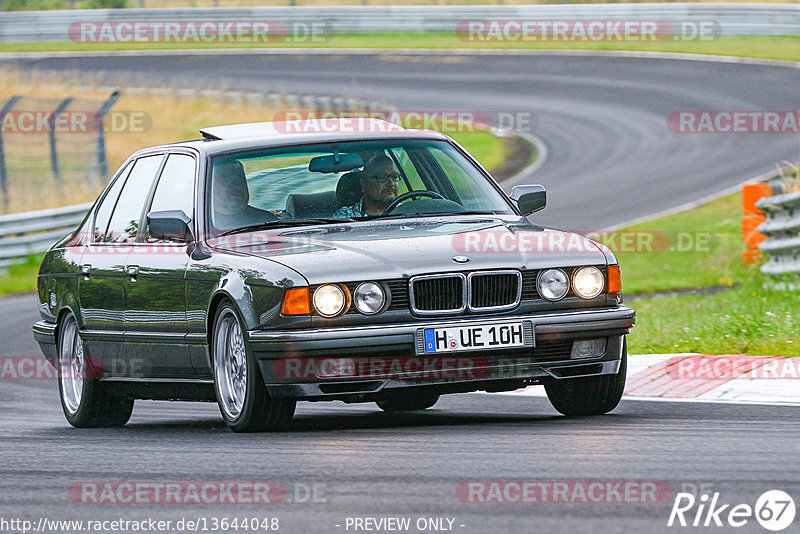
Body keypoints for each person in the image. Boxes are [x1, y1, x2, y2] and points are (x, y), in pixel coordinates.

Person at [211, 159, 277, 232]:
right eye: (227, 181)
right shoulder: (200, 223)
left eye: (240, 181)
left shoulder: (267, 221)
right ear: (210, 186)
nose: (236, 186)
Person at [334, 154, 400, 217]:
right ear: (364, 184)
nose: (391, 183)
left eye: (394, 176)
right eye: (381, 177)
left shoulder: (406, 209)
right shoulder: (345, 216)